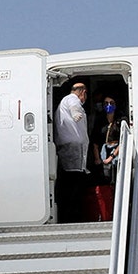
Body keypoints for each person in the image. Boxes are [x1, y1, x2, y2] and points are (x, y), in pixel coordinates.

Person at [54, 81, 89, 221]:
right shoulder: (72, 99)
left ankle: (71, 214)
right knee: (74, 186)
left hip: (70, 149)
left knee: (71, 185)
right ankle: (74, 216)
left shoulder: (64, 101)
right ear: (83, 92)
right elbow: (74, 106)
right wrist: (76, 113)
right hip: (73, 150)